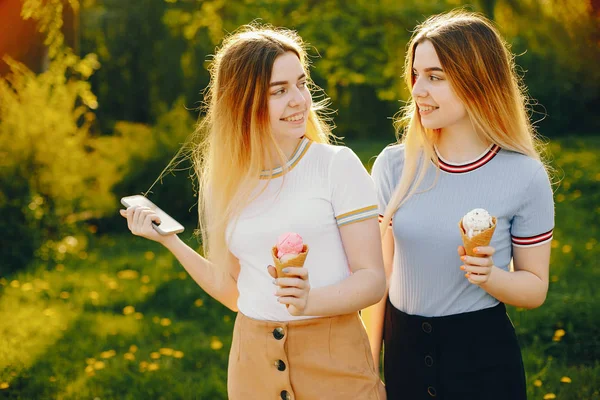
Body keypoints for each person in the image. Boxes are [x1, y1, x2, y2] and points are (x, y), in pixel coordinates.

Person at [120, 25, 387, 400]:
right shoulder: (225, 181)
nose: (298, 100)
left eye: (301, 83)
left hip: (334, 362)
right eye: (279, 91)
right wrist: (170, 241)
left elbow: (373, 279)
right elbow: (234, 292)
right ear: (241, 101)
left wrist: (311, 301)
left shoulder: (336, 166)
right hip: (251, 365)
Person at [366, 10, 555, 400]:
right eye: (416, 75)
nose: (418, 90)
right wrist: (369, 369)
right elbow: (378, 278)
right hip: (404, 357)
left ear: (477, 81)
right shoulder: (393, 166)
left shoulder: (525, 175)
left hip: (483, 361)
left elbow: (535, 289)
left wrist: (490, 276)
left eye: (435, 77)